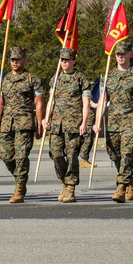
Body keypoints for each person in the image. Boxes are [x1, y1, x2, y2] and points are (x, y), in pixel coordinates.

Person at [94, 40, 133, 203]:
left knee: (127, 155)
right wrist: (98, 121)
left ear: (130, 54)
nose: (120, 56)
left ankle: (120, 187)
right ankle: (131, 182)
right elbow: (103, 100)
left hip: (132, 122)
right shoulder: (108, 76)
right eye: (118, 54)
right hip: (113, 122)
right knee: (115, 155)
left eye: (123, 53)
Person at [0, 46, 44, 203]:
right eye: (12, 60)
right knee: (6, 156)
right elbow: (0, 103)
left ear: (25, 60)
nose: (15, 62)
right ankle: (19, 177)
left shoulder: (33, 80)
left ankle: (20, 187)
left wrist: (40, 123)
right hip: (7, 123)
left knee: (21, 156)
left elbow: (39, 103)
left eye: (18, 59)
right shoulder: (3, 80)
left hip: (24, 123)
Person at [43, 47, 91, 203]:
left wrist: (84, 122)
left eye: (67, 60)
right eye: (62, 60)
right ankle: (65, 180)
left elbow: (86, 103)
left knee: (71, 157)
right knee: (56, 155)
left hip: (73, 124)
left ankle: (70, 187)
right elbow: (51, 100)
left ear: (73, 61)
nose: (64, 62)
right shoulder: (55, 79)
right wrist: (46, 117)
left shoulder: (81, 79)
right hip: (57, 124)